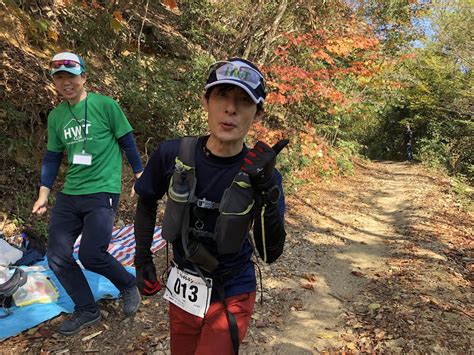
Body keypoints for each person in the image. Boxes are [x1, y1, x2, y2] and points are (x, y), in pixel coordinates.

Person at [133, 58, 288, 354]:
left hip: (232, 290)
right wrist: (142, 259)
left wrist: (267, 189)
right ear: (206, 101)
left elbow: (270, 253)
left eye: (244, 101)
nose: (231, 108)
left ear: (257, 114)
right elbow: (146, 200)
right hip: (183, 284)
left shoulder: (263, 174)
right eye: (222, 95)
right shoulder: (172, 154)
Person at [32, 52, 143, 335]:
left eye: (71, 76)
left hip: (102, 190)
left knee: (93, 253)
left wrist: (140, 174)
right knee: (56, 255)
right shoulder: (57, 116)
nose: (66, 82)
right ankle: (87, 309)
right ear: (55, 82)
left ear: (83, 77)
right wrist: (44, 194)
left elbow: (127, 141)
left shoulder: (105, 105)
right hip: (70, 193)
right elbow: (52, 157)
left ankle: (128, 285)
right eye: (60, 78)